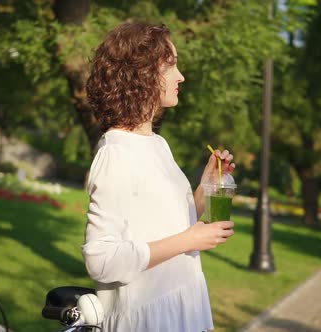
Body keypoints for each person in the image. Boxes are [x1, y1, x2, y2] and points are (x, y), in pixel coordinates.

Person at [82, 21, 236, 331]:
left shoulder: (156, 144)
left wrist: (206, 186)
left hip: (180, 305)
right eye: (171, 66)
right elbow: (101, 260)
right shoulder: (117, 153)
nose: (181, 76)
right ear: (142, 74)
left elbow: (167, 223)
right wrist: (189, 239)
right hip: (146, 318)